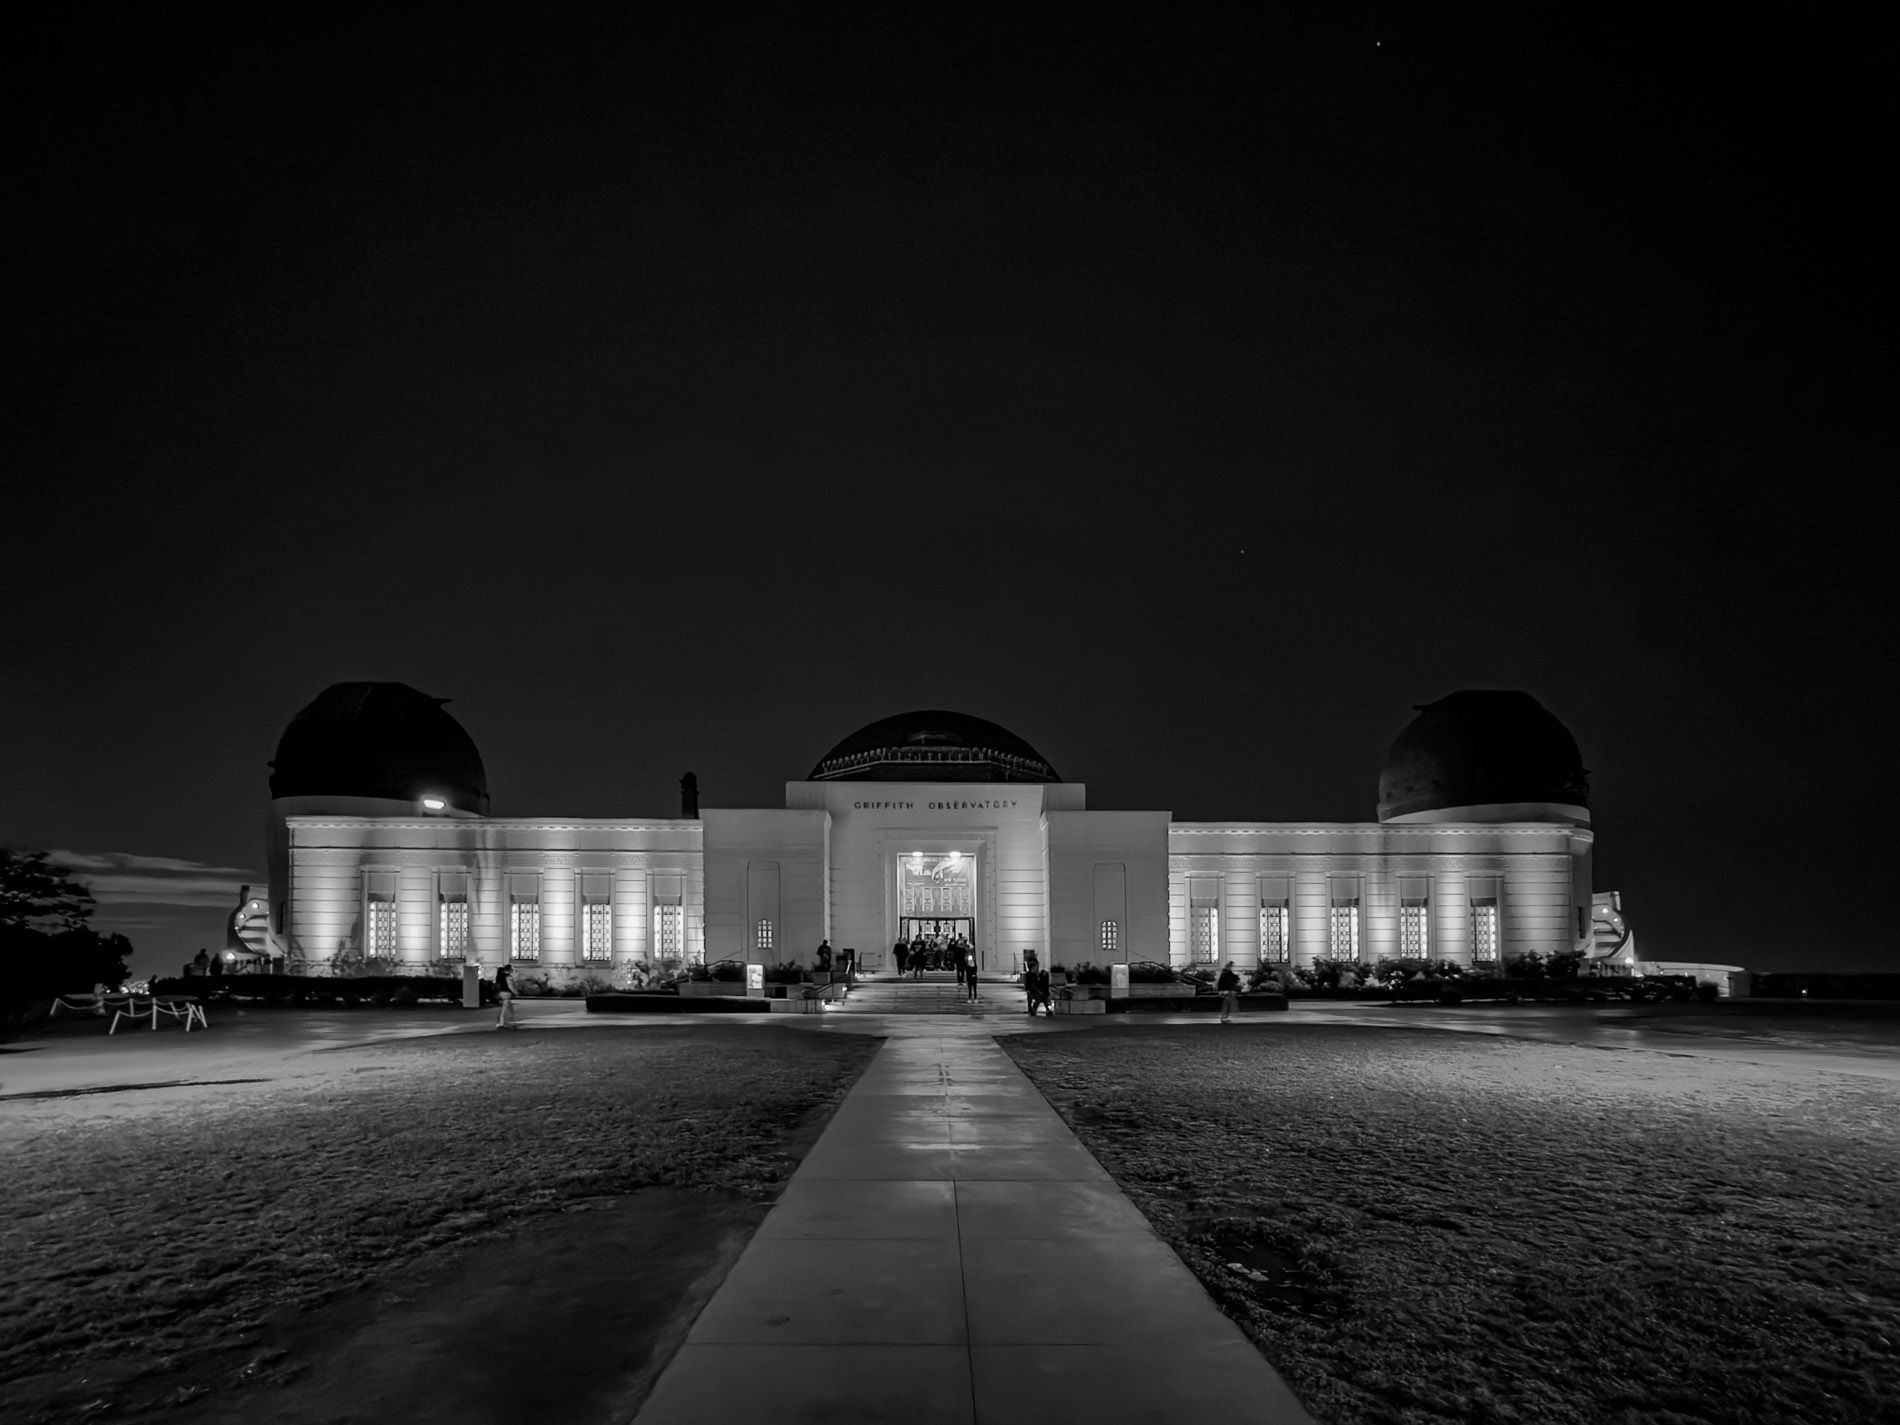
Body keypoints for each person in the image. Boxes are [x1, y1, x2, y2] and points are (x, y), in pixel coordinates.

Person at [495, 963, 516, 1029]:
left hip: (501, 992)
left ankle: (510, 1022)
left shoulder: (500, 976)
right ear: (509, 969)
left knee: (509, 1008)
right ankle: (501, 1023)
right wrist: (515, 992)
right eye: (512, 969)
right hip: (506, 993)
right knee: (505, 1009)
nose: (513, 970)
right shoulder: (508, 976)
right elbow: (510, 986)